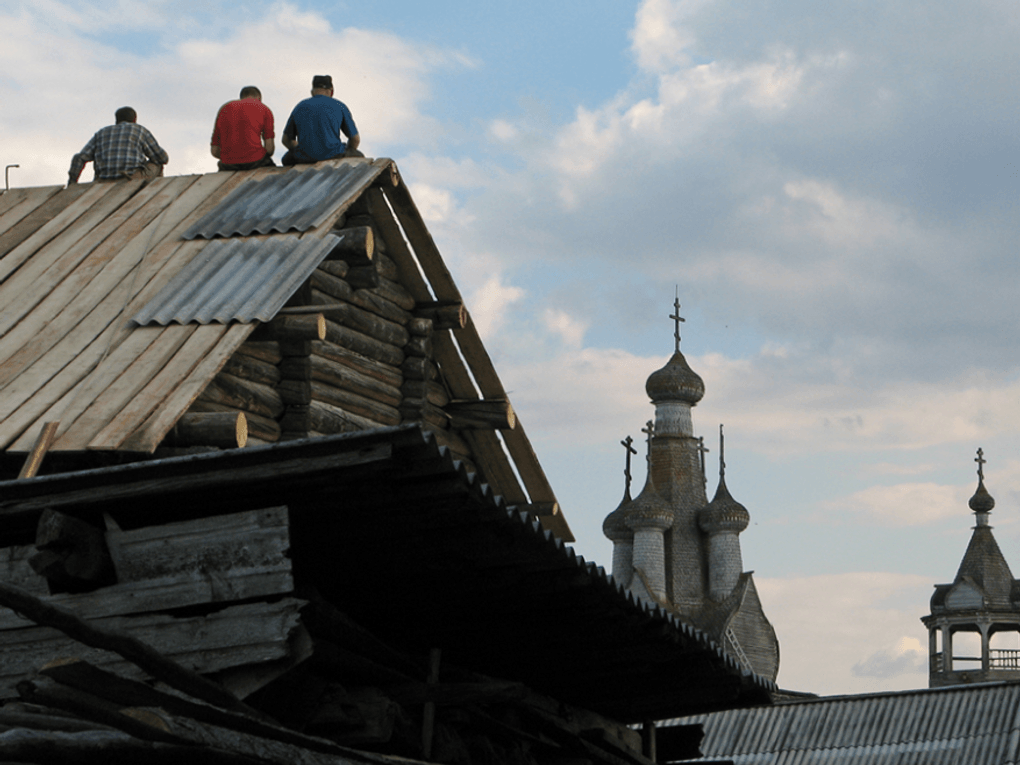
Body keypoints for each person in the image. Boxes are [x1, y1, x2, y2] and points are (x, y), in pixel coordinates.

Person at [68, 107, 168, 184]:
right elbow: (162, 158)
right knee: (157, 164)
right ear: (134, 120)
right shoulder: (139, 130)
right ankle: (152, 193)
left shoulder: (101, 133)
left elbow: (79, 158)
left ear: (116, 120)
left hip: (102, 180)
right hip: (130, 178)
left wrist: (72, 182)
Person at [280, 74, 361, 166]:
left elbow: (285, 140)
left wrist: (300, 149)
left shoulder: (299, 107)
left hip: (304, 158)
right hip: (335, 155)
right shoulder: (340, 106)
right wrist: (349, 151)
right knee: (359, 157)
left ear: (312, 91)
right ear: (331, 91)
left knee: (286, 159)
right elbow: (355, 139)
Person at [211, 86, 276, 171]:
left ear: (241, 97)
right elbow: (269, 149)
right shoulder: (264, 109)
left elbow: (214, 150)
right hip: (256, 161)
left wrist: (231, 158)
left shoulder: (224, 109)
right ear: (259, 98)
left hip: (228, 164)